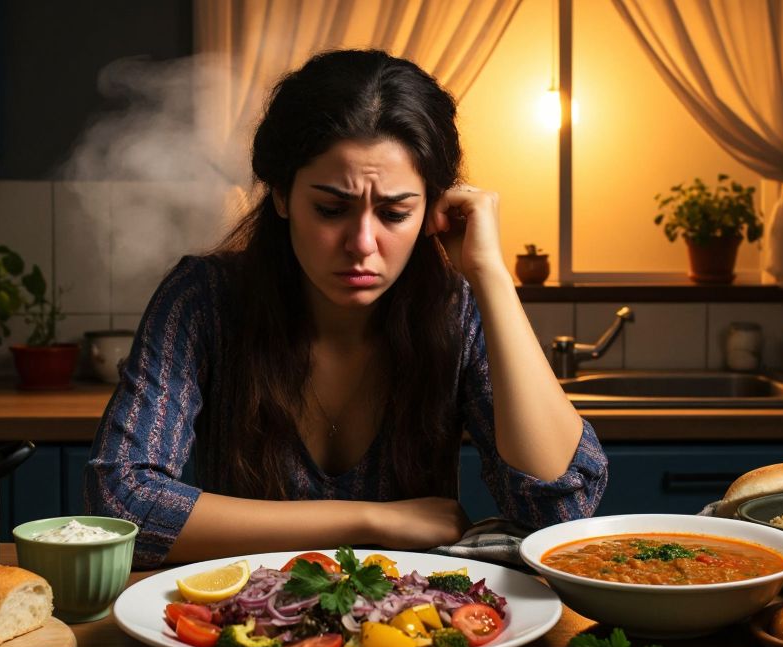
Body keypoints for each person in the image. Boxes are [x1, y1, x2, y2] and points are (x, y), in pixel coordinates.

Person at [87, 49, 607, 568]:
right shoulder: (203, 299)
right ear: (283, 196)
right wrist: (371, 520)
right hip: (242, 636)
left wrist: (491, 276)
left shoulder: (454, 313)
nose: (362, 242)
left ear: (432, 208)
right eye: (331, 209)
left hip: (416, 640)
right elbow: (120, 504)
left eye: (395, 212)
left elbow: (561, 515)